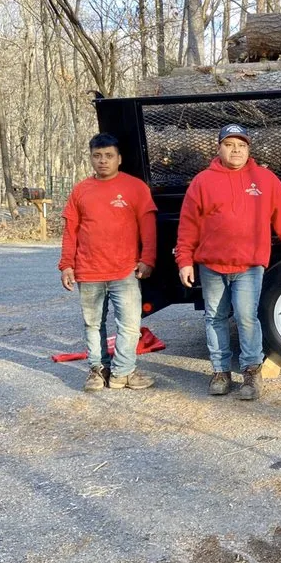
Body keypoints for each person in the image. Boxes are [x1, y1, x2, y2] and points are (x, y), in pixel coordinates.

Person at [175, 124, 281, 400]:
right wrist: (185, 260)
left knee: (246, 318)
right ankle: (220, 372)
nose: (236, 150)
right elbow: (188, 225)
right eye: (230, 144)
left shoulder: (265, 179)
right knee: (215, 318)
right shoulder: (202, 182)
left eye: (242, 145)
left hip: (248, 266)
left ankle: (251, 373)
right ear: (219, 148)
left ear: (249, 149)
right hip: (211, 266)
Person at [59, 133, 157, 391]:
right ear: (91, 158)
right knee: (93, 324)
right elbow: (71, 230)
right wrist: (66, 264)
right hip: (88, 272)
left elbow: (148, 228)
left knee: (130, 324)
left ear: (119, 159)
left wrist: (148, 259)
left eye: (109, 156)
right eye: (97, 156)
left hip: (125, 271)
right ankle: (97, 370)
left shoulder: (136, 188)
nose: (103, 161)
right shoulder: (81, 190)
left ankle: (123, 372)